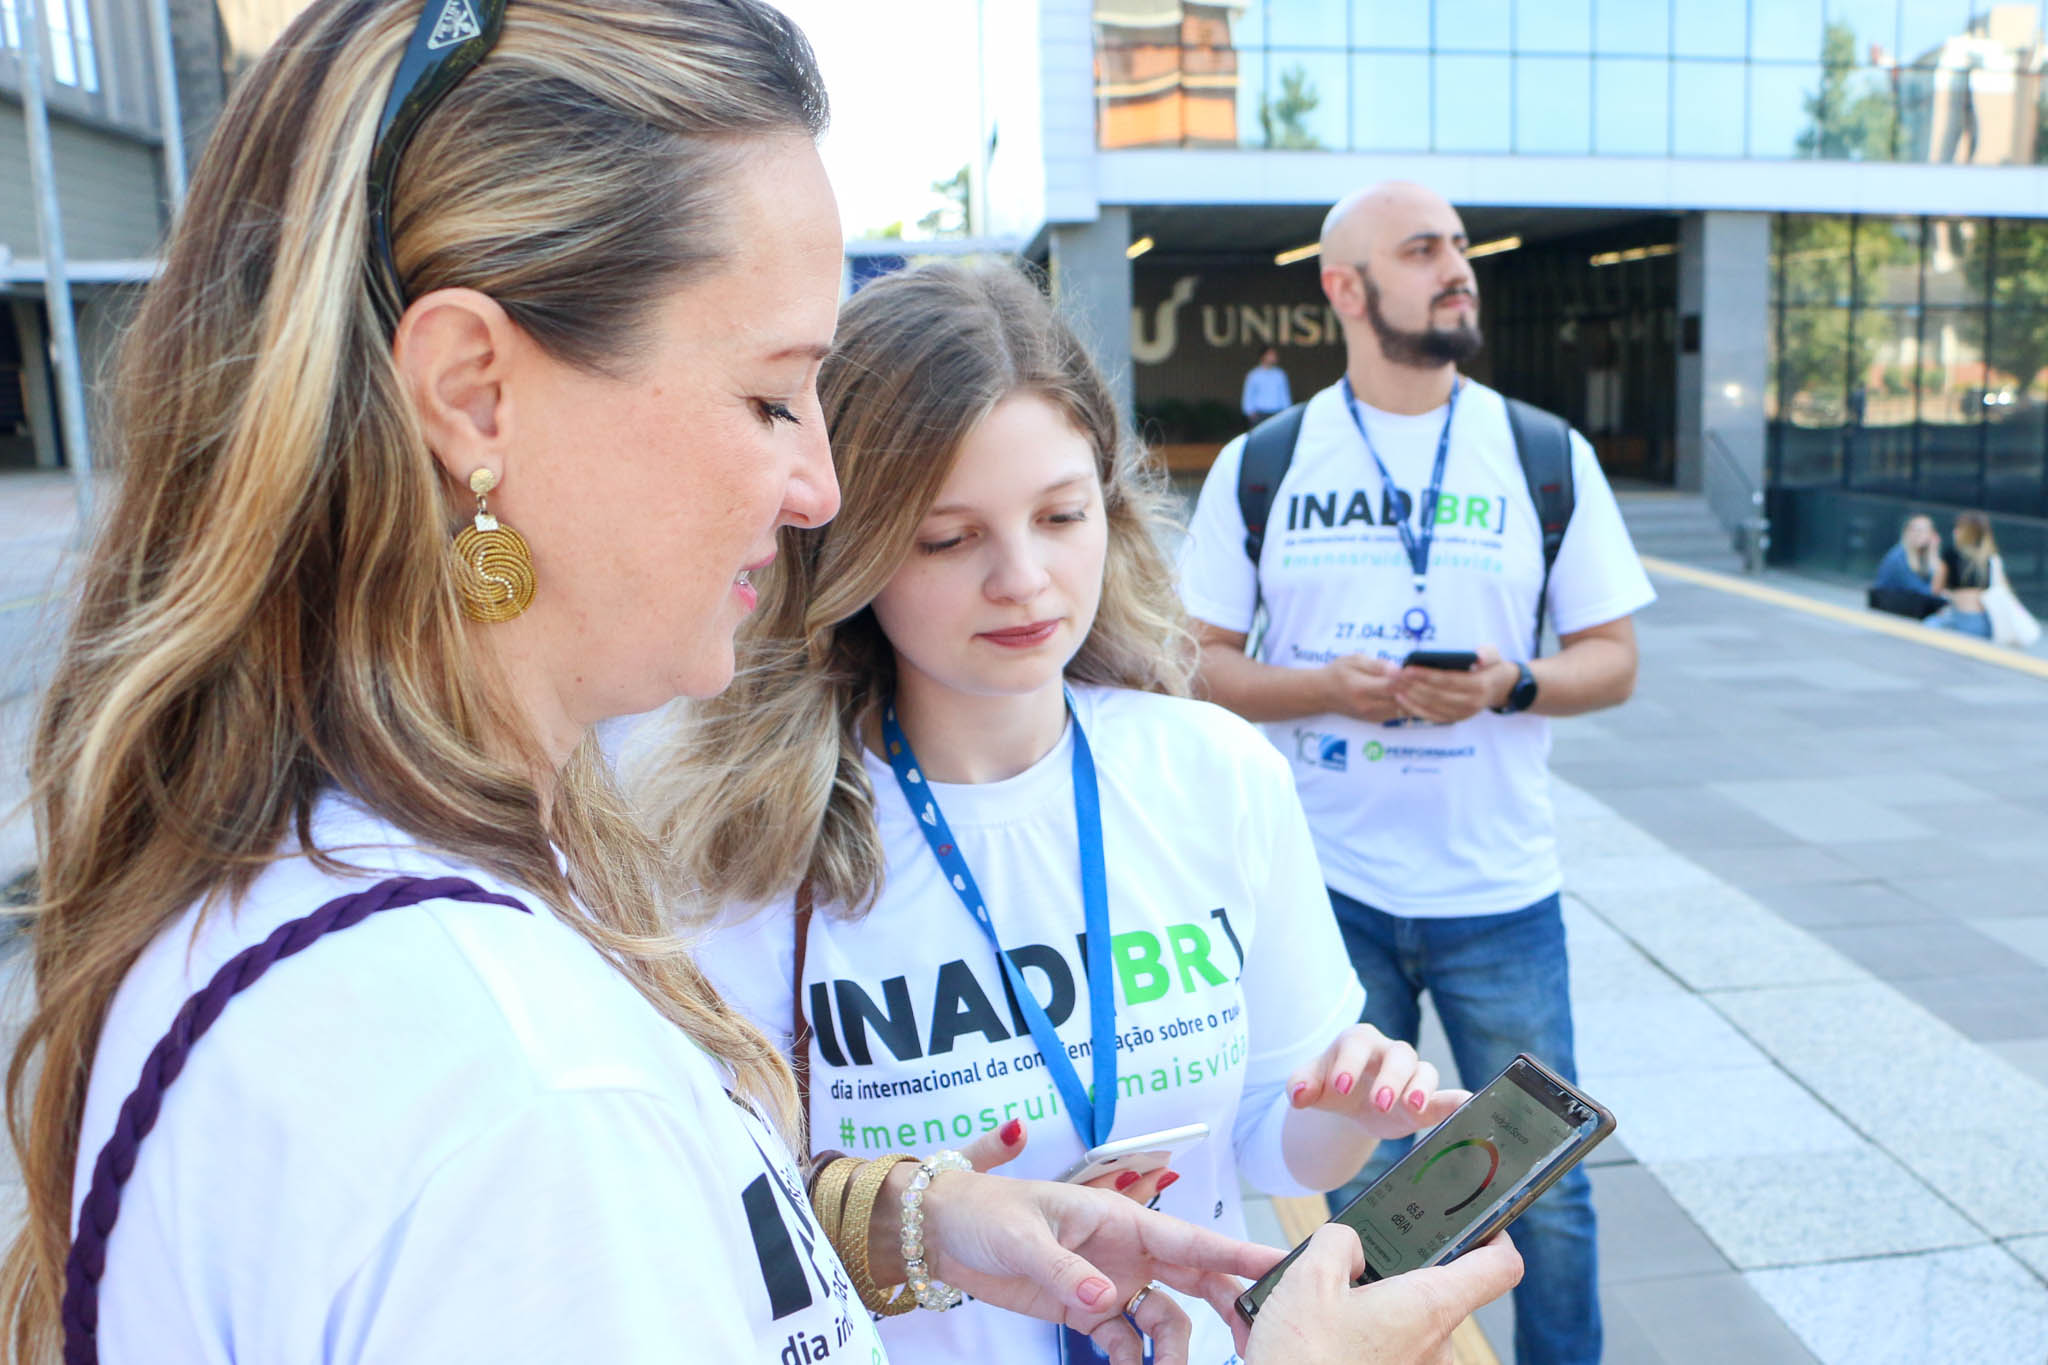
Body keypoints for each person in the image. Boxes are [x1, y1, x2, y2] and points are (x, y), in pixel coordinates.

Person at [0, 7, 1527, 1364]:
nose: (813, 488)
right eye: (769, 394)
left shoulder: (326, 904)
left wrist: (914, 1228)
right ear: (473, 392)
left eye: (1061, 516)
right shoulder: (522, 1084)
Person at [628, 261, 1502, 1365]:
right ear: (846, 548)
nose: (1024, 579)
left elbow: (1281, 1156)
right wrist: (913, 1221)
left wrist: (1345, 1107)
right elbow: (699, 1213)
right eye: (947, 538)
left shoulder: (1213, 772)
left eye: (1060, 514)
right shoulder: (739, 834)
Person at [1177, 181, 1655, 1365]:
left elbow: (1614, 660)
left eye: (1459, 246)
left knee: (1547, 1188)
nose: (1458, 267)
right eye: (1421, 249)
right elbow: (1193, 669)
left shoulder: (1542, 453)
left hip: (1499, 893)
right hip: (1329, 895)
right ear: (1343, 287)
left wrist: (1510, 685)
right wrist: (1326, 690)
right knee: (1365, 1205)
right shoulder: (1265, 463)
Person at [1930, 510, 1997, 638]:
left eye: (1958, 527)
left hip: (1959, 616)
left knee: (1928, 627)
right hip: (1985, 620)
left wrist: (1933, 552)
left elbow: (1935, 589)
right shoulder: (1989, 558)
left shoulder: (1952, 553)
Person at [1868, 514, 1947, 620]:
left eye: (1924, 531)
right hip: (1889, 610)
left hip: (1906, 608)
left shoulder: (1921, 557)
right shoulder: (1898, 557)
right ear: (1907, 532)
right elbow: (1926, 592)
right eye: (1915, 530)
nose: (1918, 534)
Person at [1242, 347, 1292, 426]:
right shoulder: (1254, 375)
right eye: (1271, 354)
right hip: (1259, 414)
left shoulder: (1280, 374)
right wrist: (1249, 412)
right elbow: (1248, 394)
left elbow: (1284, 395)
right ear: (1263, 356)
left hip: (1277, 413)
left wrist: (1287, 412)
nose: (1274, 357)